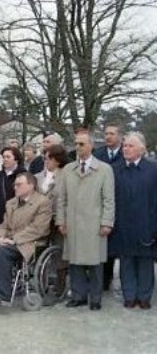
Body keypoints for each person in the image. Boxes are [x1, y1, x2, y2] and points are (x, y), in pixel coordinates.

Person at [0, 172, 52, 306]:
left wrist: (14, 239)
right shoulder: (11, 203)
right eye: (15, 184)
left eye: (19, 184)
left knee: (1, 252)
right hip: (10, 241)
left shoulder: (43, 202)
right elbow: (4, 224)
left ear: (31, 186)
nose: (14, 187)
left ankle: (3, 295)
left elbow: (38, 228)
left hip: (32, 242)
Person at [56, 132, 115, 311]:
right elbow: (61, 199)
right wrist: (61, 220)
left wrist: (107, 222)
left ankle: (95, 298)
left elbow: (109, 199)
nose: (78, 147)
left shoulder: (104, 169)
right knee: (74, 262)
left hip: (94, 224)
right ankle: (78, 295)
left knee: (95, 262)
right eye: (76, 144)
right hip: (73, 222)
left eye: (81, 144)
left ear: (90, 146)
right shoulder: (68, 169)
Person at [109, 132, 157, 309]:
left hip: (147, 224)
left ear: (142, 149)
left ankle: (144, 297)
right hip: (123, 224)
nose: (125, 149)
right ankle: (129, 296)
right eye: (124, 146)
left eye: (130, 146)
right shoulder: (115, 170)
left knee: (145, 262)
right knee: (126, 261)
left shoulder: (153, 170)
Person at [92, 124, 124, 291]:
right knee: (103, 244)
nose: (108, 137)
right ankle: (103, 281)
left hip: (121, 204)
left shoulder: (125, 155)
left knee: (117, 245)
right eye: (106, 134)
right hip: (100, 205)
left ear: (119, 136)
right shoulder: (98, 155)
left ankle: (119, 280)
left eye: (112, 133)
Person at [34, 144, 70, 292]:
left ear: (57, 160)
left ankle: (60, 288)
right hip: (41, 221)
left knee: (60, 254)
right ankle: (41, 285)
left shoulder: (66, 176)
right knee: (40, 251)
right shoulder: (37, 177)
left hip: (58, 220)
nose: (45, 161)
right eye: (44, 158)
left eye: (48, 158)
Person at [0, 146, 26, 233]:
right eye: (3, 157)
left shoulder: (24, 175)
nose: (5, 159)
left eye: (8, 157)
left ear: (16, 159)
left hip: (17, 220)